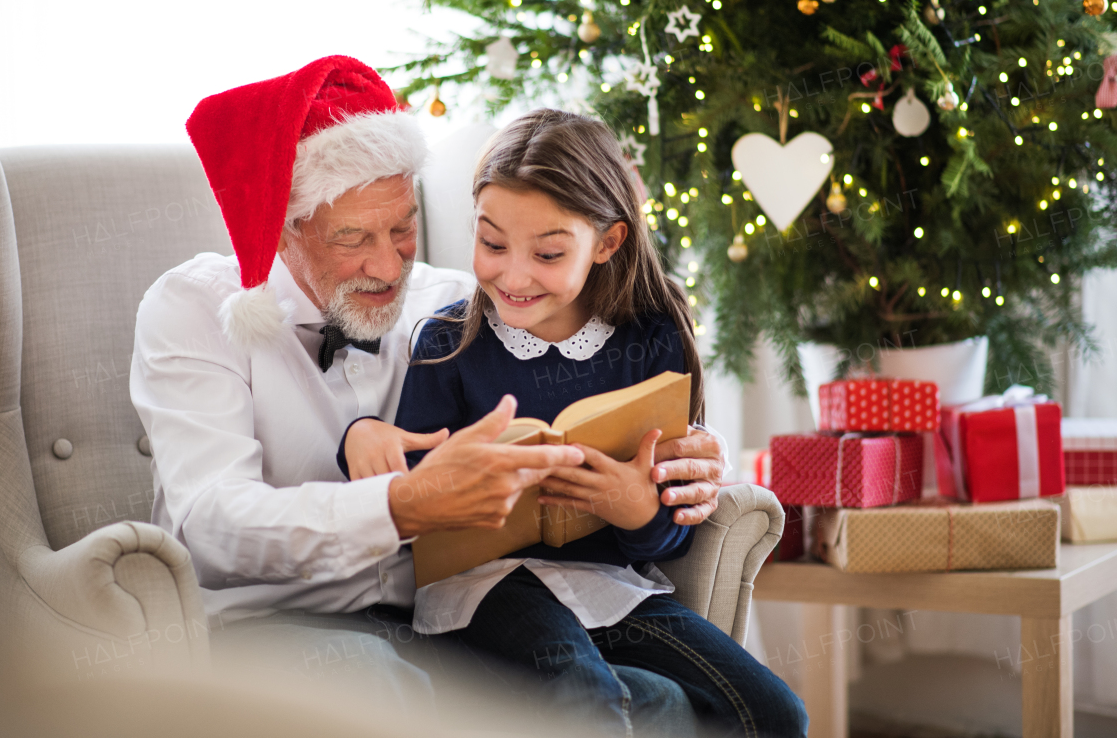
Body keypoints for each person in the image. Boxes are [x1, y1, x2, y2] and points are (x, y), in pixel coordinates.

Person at [129, 57, 730, 728]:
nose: (388, 266)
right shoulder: (194, 309)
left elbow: (591, 367)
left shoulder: (454, 306)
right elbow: (209, 527)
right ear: (284, 228)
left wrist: (693, 455)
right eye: (352, 239)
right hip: (271, 627)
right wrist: (399, 505)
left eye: (402, 227)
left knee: (659, 704)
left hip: (438, 625)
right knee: (380, 685)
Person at [343, 109, 807, 737]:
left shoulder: (654, 335)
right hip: (484, 590)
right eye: (492, 243)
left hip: (611, 587)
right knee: (585, 693)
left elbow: (674, 527)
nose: (513, 274)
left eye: (549, 252)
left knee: (776, 711)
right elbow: (411, 504)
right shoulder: (449, 342)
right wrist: (373, 450)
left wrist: (636, 507)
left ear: (608, 243)